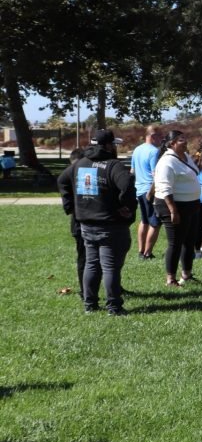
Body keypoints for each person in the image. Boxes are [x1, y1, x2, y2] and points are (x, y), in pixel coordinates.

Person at [61, 130, 136, 315]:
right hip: (110, 225)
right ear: (108, 146)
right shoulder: (113, 165)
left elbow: (62, 180)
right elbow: (127, 184)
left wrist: (71, 206)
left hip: (86, 224)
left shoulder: (80, 163)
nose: (115, 148)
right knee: (110, 267)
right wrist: (126, 206)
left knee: (92, 264)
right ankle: (114, 306)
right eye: (114, 144)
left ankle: (90, 304)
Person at [154, 130, 201, 287]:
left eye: (185, 138)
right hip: (174, 206)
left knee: (189, 241)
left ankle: (186, 274)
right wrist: (173, 211)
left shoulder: (185, 156)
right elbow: (164, 188)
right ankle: (171, 279)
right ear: (171, 143)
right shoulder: (166, 161)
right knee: (175, 243)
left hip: (191, 204)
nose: (185, 141)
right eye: (181, 140)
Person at [55, 148, 87, 300]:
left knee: (89, 258)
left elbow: (68, 206)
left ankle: (87, 290)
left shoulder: (66, 175)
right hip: (82, 222)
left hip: (83, 221)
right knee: (86, 258)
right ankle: (85, 290)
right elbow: (68, 207)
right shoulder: (68, 176)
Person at [130, 125, 162, 260]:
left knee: (144, 220)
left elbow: (132, 171)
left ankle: (140, 251)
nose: (162, 139)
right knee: (155, 223)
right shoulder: (154, 151)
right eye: (160, 136)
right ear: (153, 136)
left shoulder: (137, 149)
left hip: (139, 190)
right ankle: (147, 253)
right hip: (150, 190)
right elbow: (156, 174)